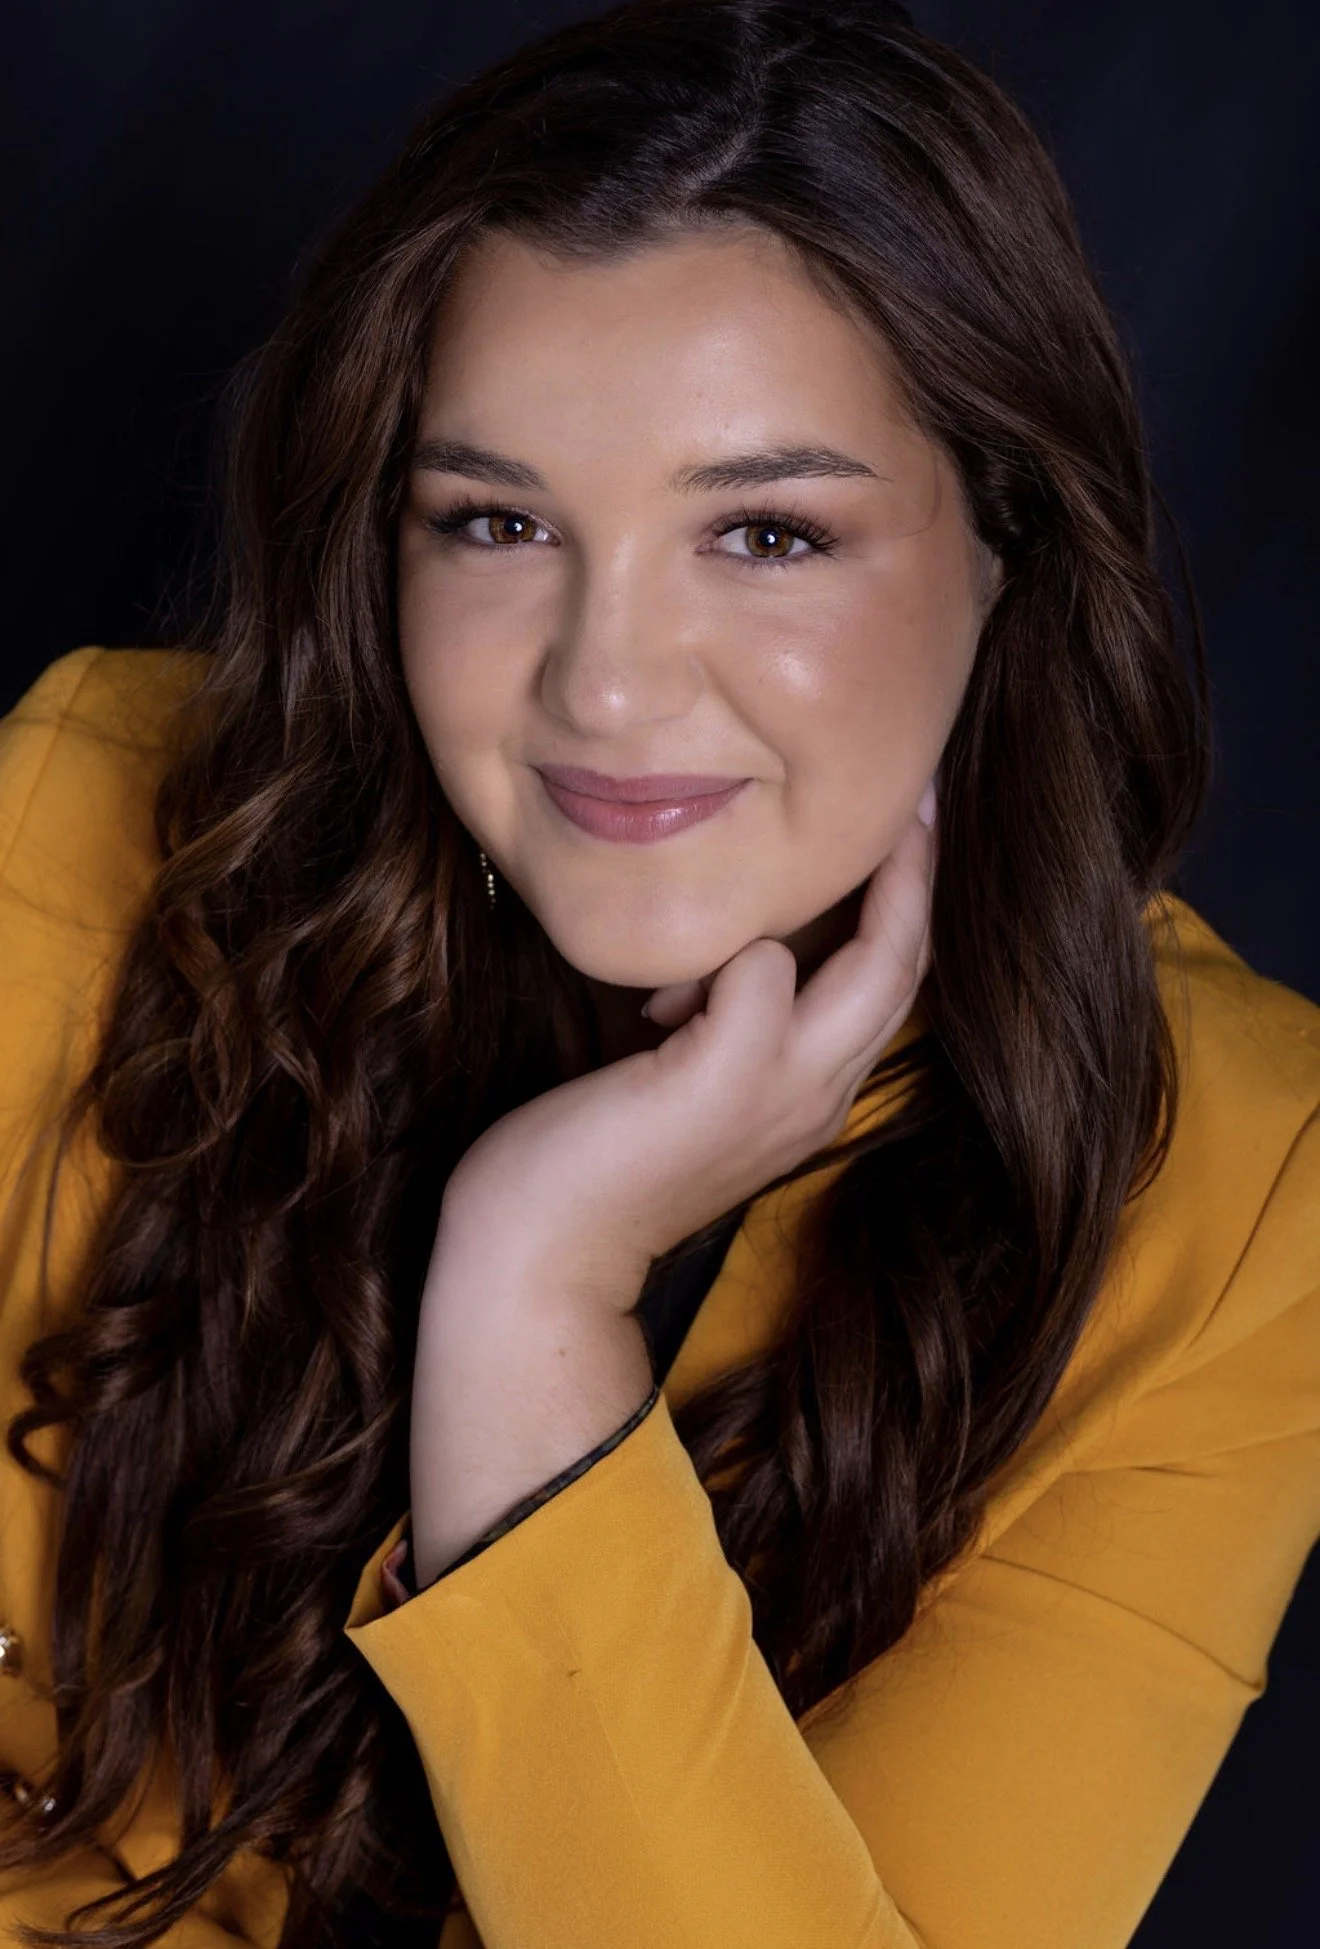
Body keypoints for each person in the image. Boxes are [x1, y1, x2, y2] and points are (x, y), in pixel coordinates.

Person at [1, 0, 1316, 1943]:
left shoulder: (1247, 1194)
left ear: (1011, 540)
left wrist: (535, 1300)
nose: (604, 683)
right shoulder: (94, 810)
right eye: (500, 521)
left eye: (767, 531)